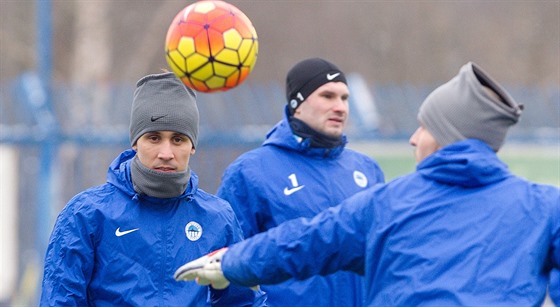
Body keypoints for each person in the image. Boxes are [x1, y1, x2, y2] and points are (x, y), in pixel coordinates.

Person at [175, 62, 560, 306]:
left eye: (424, 125)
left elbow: (304, 243)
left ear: (446, 135)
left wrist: (230, 262)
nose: (413, 138)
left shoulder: (388, 202)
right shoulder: (545, 206)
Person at [40, 72, 265, 306]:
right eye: (154, 138)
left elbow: (243, 302)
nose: (166, 153)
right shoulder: (86, 214)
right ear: (136, 142)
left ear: (193, 146)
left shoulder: (218, 218)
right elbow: (60, 300)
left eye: (178, 139)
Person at [215, 58, 385, 306]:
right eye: (327, 96)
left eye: (344, 98)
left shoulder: (367, 169)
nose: (340, 107)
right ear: (297, 104)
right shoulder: (250, 172)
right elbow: (224, 266)